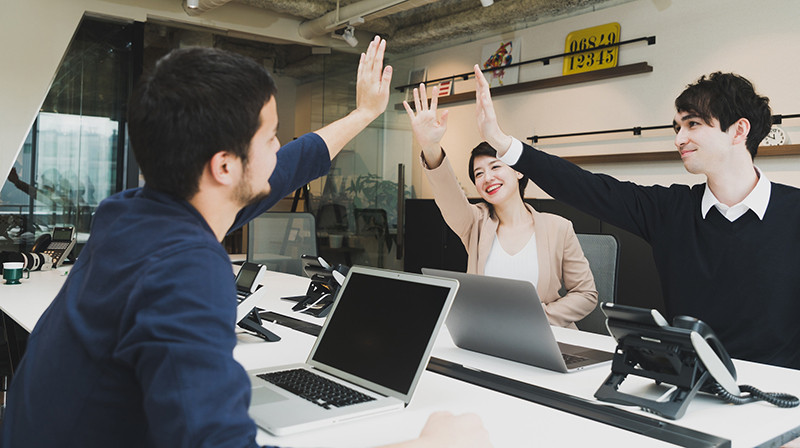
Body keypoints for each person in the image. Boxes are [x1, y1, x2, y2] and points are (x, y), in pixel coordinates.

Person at [1, 38, 492, 448]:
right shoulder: (186, 271)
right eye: (271, 137)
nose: (279, 149)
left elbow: (284, 170)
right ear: (224, 166)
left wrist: (364, 113)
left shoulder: (129, 213)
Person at [472, 64, 800, 370]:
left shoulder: (793, 212)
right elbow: (587, 188)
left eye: (693, 124)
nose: (679, 139)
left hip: (780, 393)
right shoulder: (668, 210)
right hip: (691, 384)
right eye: (678, 127)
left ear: (739, 130)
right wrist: (503, 143)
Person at [403, 84, 597, 328]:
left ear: (517, 171)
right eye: (479, 174)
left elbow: (586, 294)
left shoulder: (558, 227)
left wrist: (538, 317)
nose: (487, 178)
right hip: (487, 334)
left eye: (495, 167)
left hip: (544, 337)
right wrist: (430, 147)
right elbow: (448, 196)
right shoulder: (475, 223)